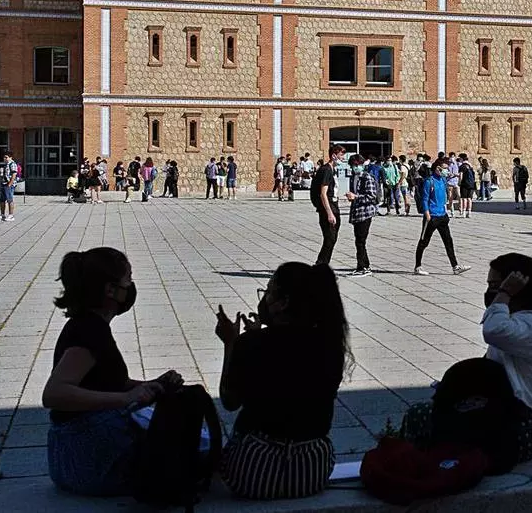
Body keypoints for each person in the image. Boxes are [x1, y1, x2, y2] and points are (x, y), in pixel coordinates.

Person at [400, 253, 532, 465]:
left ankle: (413, 467)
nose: (491, 292)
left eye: (497, 285)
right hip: (506, 412)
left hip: (523, 425)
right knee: (436, 413)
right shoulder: (520, 320)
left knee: (422, 416)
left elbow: (493, 331)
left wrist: (504, 293)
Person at [43, 247, 183, 496]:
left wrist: (151, 385)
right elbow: (55, 393)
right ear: (110, 290)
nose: (131, 286)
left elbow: (107, 382)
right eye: (128, 279)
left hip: (80, 452)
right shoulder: (89, 331)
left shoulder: (92, 326)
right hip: (87, 456)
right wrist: (125, 398)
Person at [215, 262, 350, 500]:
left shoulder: (252, 344)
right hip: (311, 469)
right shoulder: (330, 346)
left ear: (284, 302)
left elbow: (229, 400)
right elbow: (291, 357)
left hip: (253, 470)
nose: (264, 298)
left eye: (268, 292)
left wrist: (232, 344)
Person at [414, 158, 472, 276]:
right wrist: (427, 214)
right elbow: (424, 199)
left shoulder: (443, 180)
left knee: (448, 241)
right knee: (424, 241)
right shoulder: (429, 181)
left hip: (442, 216)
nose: (446, 170)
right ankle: (418, 266)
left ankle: (455, 266)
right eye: (444, 168)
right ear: (437, 168)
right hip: (432, 216)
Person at [345, 155, 380, 278]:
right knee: (358, 241)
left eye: (357, 165)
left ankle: (363, 266)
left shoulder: (367, 177)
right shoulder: (353, 177)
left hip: (365, 213)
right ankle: (363, 265)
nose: (355, 167)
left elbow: (371, 196)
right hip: (356, 212)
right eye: (353, 165)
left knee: (361, 241)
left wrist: (356, 197)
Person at [312, 144, 344, 268]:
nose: (343, 158)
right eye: (341, 155)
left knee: (332, 239)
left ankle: (322, 265)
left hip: (334, 206)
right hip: (328, 209)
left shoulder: (332, 169)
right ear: (334, 155)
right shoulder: (326, 170)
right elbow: (323, 194)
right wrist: (329, 213)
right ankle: (320, 266)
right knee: (330, 239)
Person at [0, 150, 18, 222]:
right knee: (2, 200)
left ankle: (11, 215)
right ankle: (2, 215)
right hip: (4, 184)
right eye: (4, 157)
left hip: (9, 184)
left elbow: (14, 175)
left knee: (10, 199)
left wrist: (10, 184)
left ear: (10, 157)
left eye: (6, 157)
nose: (4, 159)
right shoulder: (5, 165)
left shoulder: (12, 164)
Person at [458, 153, 476, 218]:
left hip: (464, 183)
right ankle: (470, 212)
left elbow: (461, 175)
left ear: (462, 158)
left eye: (460, 158)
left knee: (464, 198)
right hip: (471, 184)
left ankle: (464, 212)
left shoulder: (462, 166)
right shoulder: (470, 166)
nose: (459, 159)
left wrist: (459, 182)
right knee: (469, 198)